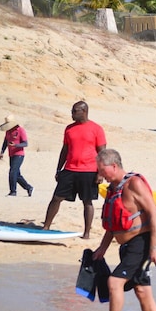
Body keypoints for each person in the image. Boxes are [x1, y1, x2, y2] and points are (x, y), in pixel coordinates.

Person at [90, 149, 156, 311]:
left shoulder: (134, 184)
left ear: (113, 166)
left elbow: (154, 215)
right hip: (126, 247)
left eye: (101, 170)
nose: (100, 175)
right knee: (142, 291)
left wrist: (155, 248)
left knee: (115, 282)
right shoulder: (113, 189)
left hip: (141, 243)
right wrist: (102, 249)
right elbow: (114, 223)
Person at [44, 101, 106, 238]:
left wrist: (100, 173)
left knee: (87, 201)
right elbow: (65, 150)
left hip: (89, 170)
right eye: (72, 110)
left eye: (74, 111)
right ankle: (46, 225)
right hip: (70, 169)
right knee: (56, 198)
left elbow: (102, 152)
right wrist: (58, 169)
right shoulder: (69, 129)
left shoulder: (96, 129)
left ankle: (87, 232)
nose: (72, 114)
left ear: (84, 111)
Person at [0, 114, 33, 197]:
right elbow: (5, 142)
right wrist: (2, 151)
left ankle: (13, 191)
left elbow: (25, 143)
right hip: (11, 154)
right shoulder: (8, 131)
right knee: (16, 175)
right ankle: (29, 187)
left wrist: (16, 145)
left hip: (19, 154)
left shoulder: (20, 130)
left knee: (12, 172)